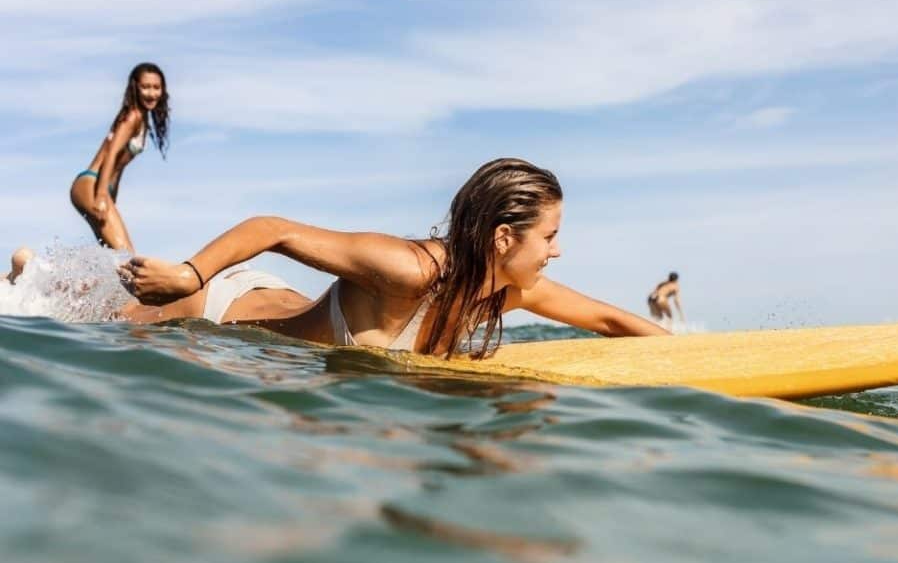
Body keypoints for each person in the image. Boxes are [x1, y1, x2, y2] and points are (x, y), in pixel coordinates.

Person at [123, 158, 669, 358]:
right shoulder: (409, 271)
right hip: (216, 307)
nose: (557, 249)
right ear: (504, 239)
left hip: (281, 305)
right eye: (549, 236)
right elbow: (275, 229)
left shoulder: (507, 291)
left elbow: (609, 319)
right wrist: (187, 275)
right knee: (87, 310)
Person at [70, 62, 171, 252]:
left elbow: (120, 166)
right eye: (145, 87)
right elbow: (111, 154)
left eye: (156, 87)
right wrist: (101, 196)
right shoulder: (133, 116)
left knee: (114, 257)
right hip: (91, 184)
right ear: (135, 87)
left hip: (101, 186)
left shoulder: (142, 117)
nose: (151, 93)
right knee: (126, 255)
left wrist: (110, 196)